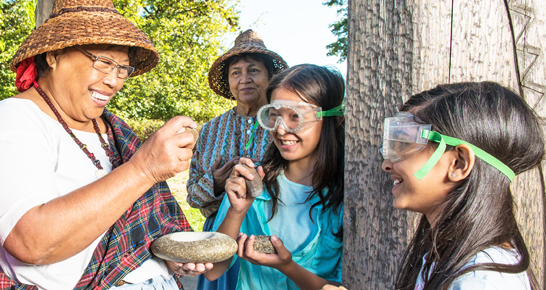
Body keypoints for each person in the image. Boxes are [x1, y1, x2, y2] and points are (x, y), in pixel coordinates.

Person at [0, 0, 208, 289]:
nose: (114, 81)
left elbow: (135, 228)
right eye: (104, 63)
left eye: (123, 70)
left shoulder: (116, 130)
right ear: (54, 55)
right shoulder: (12, 118)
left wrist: (167, 255)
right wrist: (144, 169)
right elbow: (31, 242)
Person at [322, 82, 541, 290]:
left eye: (404, 143)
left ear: (458, 163)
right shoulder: (445, 259)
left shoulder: (483, 281)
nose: (387, 164)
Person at [204, 64, 346, 290]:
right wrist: (236, 211)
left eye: (295, 117)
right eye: (273, 116)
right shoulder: (252, 183)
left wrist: (288, 267)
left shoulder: (346, 197)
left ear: (334, 118)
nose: (280, 129)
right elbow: (213, 270)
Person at [187, 29, 288, 290]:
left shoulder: (282, 125)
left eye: (253, 70)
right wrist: (217, 183)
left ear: (270, 76)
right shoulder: (210, 129)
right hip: (217, 236)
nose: (245, 79)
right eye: (236, 72)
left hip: (269, 237)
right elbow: (192, 197)